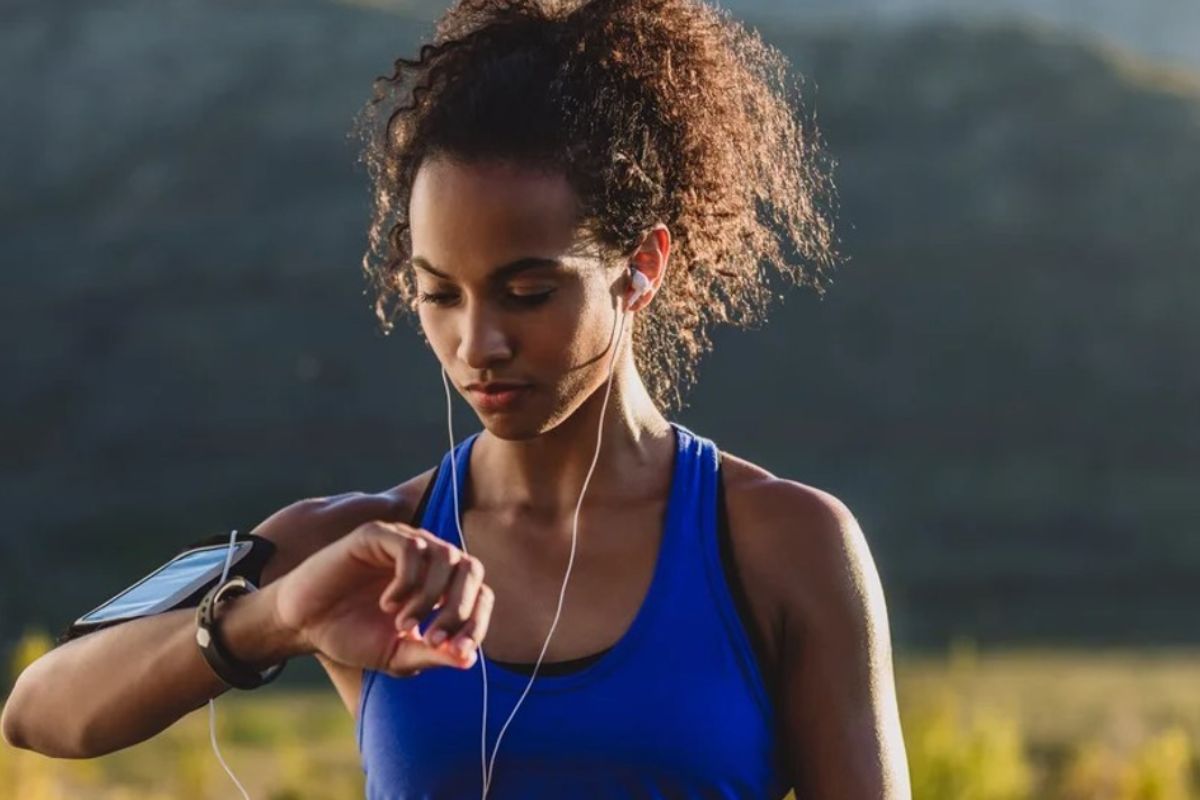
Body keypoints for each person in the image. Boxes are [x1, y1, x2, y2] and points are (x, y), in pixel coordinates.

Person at [2, 0, 910, 797]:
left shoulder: (782, 547)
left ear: (642, 265)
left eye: (526, 292)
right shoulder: (355, 549)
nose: (478, 345)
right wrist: (275, 619)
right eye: (440, 293)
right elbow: (39, 712)